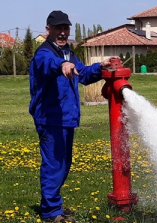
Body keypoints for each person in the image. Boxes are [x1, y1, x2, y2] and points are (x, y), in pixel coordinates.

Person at [29, 10, 117, 223]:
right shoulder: (45, 53)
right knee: (54, 165)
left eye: (65, 28)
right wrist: (61, 65)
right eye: (57, 28)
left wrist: (100, 67)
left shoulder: (68, 53)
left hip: (65, 118)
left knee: (63, 164)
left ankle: (53, 205)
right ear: (48, 30)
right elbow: (49, 64)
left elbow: (83, 75)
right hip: (50, 119)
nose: (62, 32)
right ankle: (51, 212)